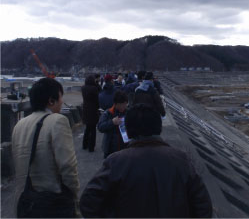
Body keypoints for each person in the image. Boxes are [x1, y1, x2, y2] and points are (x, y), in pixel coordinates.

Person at [80, 104, 213, 218]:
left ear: (129, 131)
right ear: (158, 127)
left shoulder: (116, 162)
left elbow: (88, 202)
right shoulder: (181, 160)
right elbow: (203, 206)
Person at [12, 78, 80, 217]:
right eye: (61, 97)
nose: (62, 102)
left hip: (25, 203)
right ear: (51, 101)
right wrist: (74, 195)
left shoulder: (19, 125)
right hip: (52, 204)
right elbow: (68, 166)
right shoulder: (57, 120)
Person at [97, 90, 129, 159]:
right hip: (111, 149)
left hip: (126, 148)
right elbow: (100, 127)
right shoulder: (108, 113)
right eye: (122, 104)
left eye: (126, 103)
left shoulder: (128, 113)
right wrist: (112, 122)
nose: (125, 106)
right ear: (116, 104)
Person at [81, 75, 100, 152]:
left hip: (85, 109)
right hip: (93, 110)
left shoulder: (83, 88)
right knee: (93, 129)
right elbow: (97, 100)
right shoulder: (94, 89)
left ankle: (84, 145)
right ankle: (91, 147)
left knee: (87, 128)